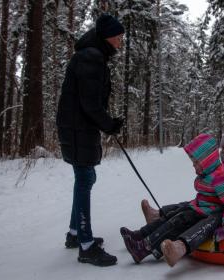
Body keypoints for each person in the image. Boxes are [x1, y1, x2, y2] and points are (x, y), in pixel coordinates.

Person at [141, 119, 224, 266]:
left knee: (214, 217)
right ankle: (157, 215)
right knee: (191, 204)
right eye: (223, 150)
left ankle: (181, 245)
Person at [56, 14, 125, 267]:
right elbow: (89, 103)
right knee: (85, 179)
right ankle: (86, 246)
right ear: (107, 36)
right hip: (77, 128)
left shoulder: (93, 55)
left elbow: (90, 101)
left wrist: (106, 123)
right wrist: (109, 124)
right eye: (118, 36)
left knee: (86, 177)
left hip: (78, 127)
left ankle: (75, 234)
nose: (120, 41)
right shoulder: (91, 58)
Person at [120, 134, 224, 266]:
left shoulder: (221, 176)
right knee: (172, 215)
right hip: (200, 207)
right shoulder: (208, 173)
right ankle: (140, 235)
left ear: (207, 160)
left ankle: (143, 248)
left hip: (207, 215)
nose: (193, 165)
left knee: (176, 223)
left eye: (196, 162)